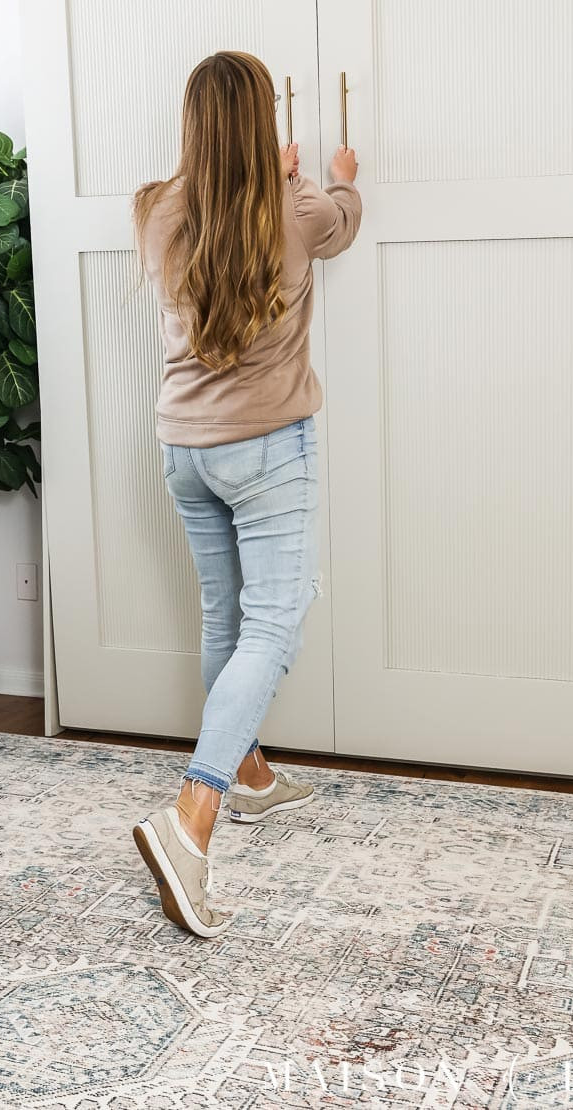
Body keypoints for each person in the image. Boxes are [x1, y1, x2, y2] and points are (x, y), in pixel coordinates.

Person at [130, 50, 362, 938]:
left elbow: (217, 220)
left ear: (192, 122)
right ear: (265, 121)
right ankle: (192, 818)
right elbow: (340, 225)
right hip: (266, 447)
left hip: (183, 448)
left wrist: (271, 180)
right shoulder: (297, 207)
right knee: (273, 623)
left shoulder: (157, 208)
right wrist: (335, 176)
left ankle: (251, 774)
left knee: (224, 618)